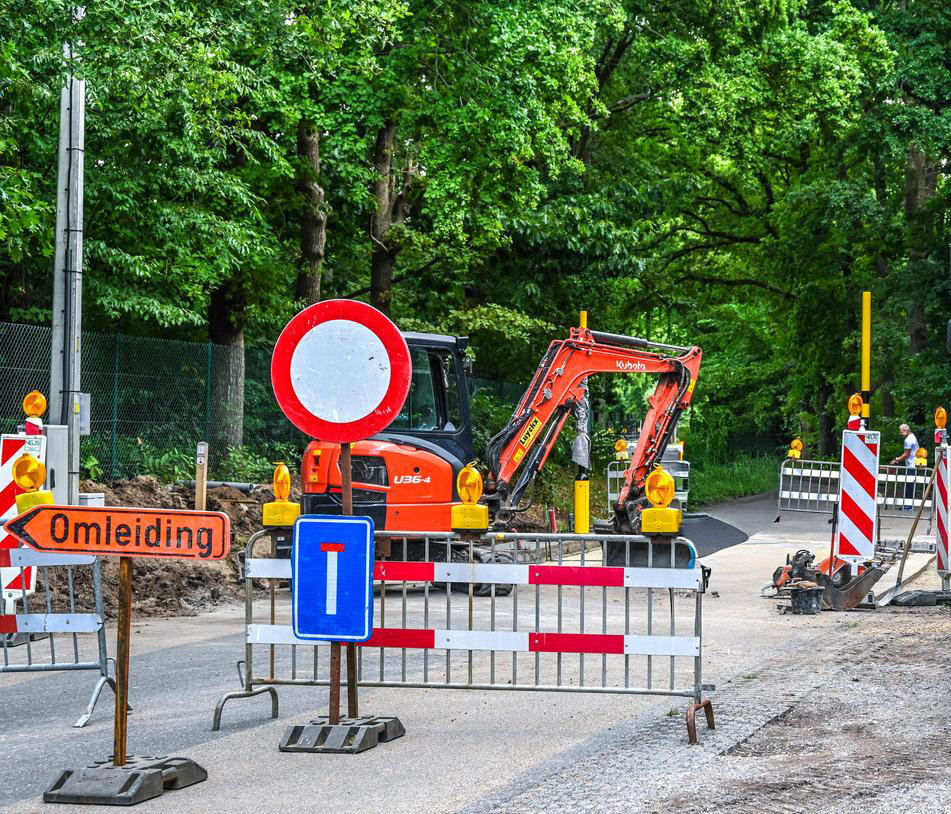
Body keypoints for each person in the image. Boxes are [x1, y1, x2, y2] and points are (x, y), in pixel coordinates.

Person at [890, 424, 919, 510]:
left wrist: (896, 460)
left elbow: (906, 454)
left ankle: (907, 506)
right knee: (910, 484)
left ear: (905, 430)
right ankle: (908, 505)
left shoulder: (908, 440)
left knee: (909, 485)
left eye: (901, 432)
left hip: (911, 465)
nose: (900, 434)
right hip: (915, 464)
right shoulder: (913, 436)